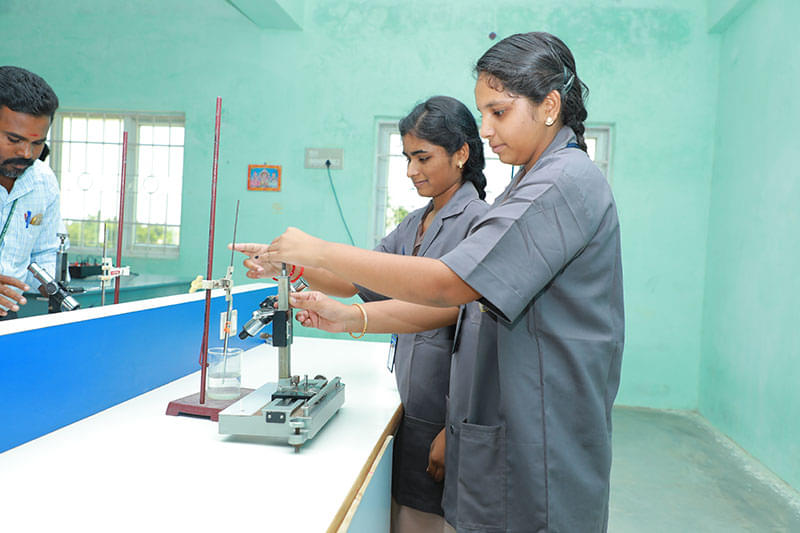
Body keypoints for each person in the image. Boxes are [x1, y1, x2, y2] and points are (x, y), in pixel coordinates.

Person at [240, 32, 624, 532]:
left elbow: (447, 288)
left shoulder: (561, 182)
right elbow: (456, 305)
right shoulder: (528, 185)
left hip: (540, 439)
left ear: (549, 105)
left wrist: (318, 251)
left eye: (499, 112)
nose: (486, 128)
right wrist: (342, 309)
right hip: (506, 427)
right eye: (482, 113)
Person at [234, 95, 489, 532]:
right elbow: (355, 279)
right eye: (408, 157)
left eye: (423, 157)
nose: (411, 171)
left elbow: (469, 326)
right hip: (416, 404)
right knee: (407, 514)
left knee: (434, 520)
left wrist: (457, 430)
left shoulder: (479, 223)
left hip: (448, 416)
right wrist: (289, 266)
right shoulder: (417, 222)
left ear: (462, 153)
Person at [0, 66, 62, 321]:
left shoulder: (43, 182)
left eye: (37, 143)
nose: (26, 153)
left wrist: (51, 285)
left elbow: (44, 254)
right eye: (14, 139)